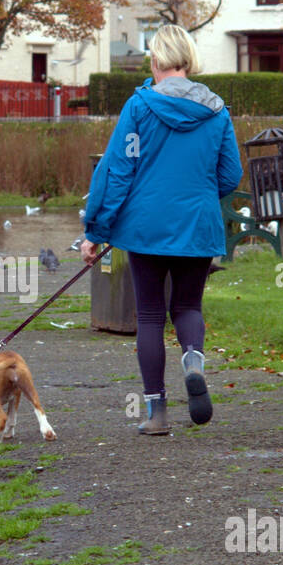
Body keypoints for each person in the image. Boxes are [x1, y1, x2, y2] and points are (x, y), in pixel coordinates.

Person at [80, 24, 242, 435]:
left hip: (146, 228)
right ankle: (193, 360)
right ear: (188, 61)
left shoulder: (139, 107)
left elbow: (116, 170)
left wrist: (96, 230)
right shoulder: (217, 111)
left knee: (150, 316)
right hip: (197, 227)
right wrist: (199, 197)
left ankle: (157, 415)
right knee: (188, 307)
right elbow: (230, 175)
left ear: (155, 61)